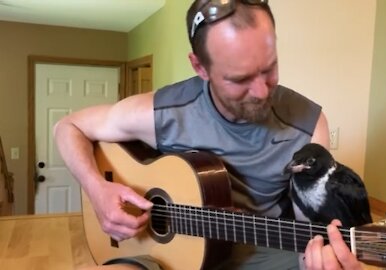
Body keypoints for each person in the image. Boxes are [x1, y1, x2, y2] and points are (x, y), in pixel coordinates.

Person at [54, 0, 363, 269]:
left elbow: (308, 236)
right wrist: (97, 190)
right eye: (239, 78)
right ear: (200, 67)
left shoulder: (308, 127)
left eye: (270, 68)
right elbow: (68, 127)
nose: (261, 91)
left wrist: (320, 260)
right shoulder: (162, 112)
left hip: (265, 255)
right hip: (164, 256)